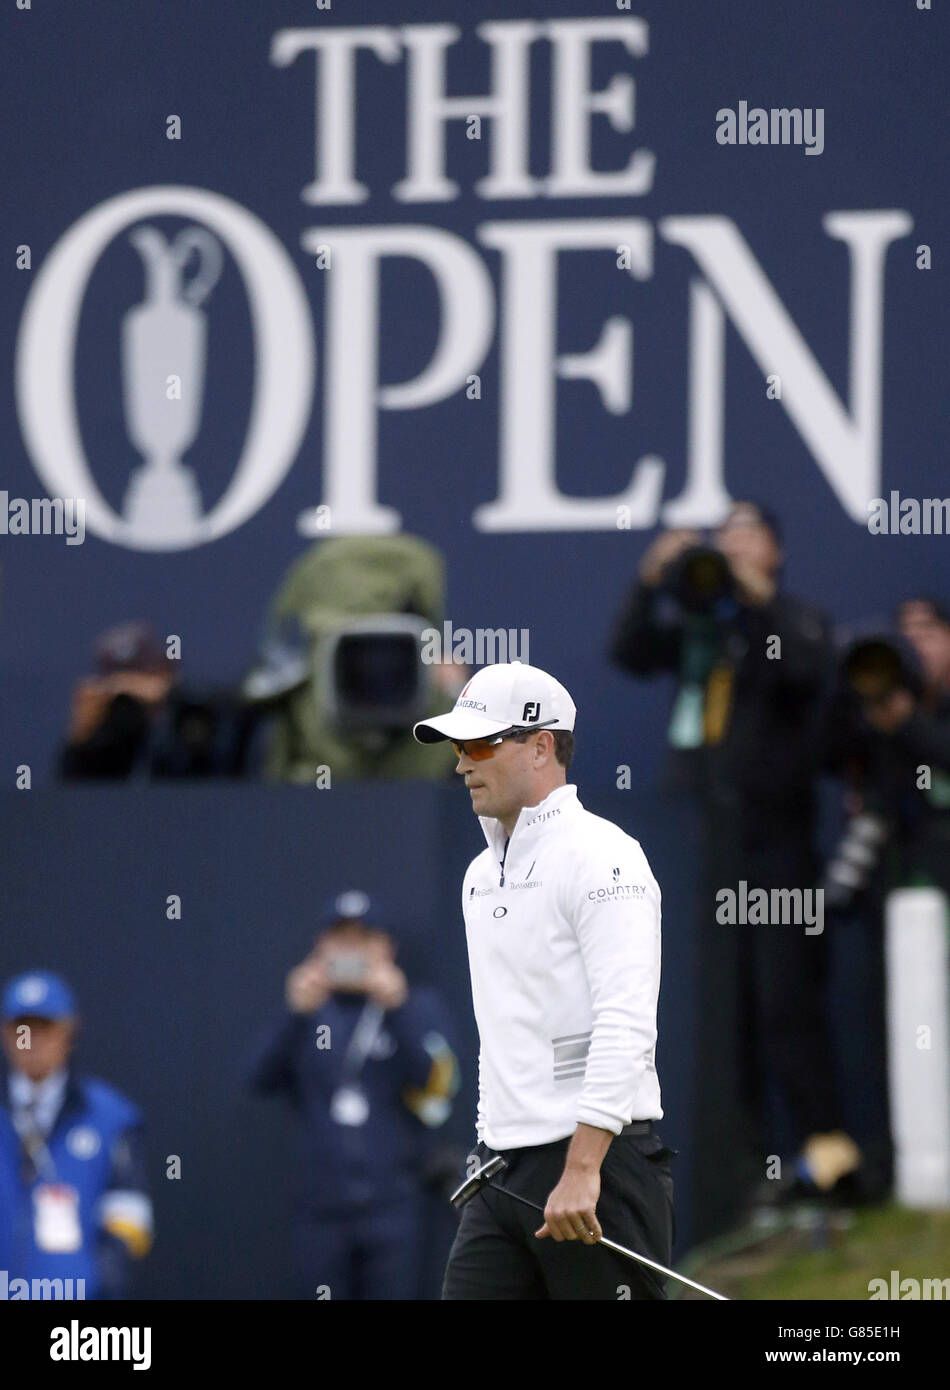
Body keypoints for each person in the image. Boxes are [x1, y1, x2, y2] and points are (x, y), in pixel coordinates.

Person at [609, 502, 859, 1237]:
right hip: (706, 845)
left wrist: (754, 594)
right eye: (725, 538)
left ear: (776, 551)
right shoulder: (701, 625)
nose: (733, 547)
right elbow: (627, 651)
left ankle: (833, 1164)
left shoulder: (791, 622)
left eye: (749, 535)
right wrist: (650, 577)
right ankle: (743, 1180)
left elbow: (812, 670)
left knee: (787, 1005)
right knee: (726, 1017)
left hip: (776, 846)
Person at [413, 661, 674, 1300]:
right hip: (501, 1174)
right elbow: (503, 1034)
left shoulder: (604, 854)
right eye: (457, 747)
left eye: (478, 744)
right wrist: (486, 1141)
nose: (461, 764)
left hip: (598, 1173)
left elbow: (627, 1020)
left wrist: (583, 1168)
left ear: (540, 746)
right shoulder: (478, 874)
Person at [246, 891, 459, 1299]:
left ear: (388, 948)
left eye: (364, 939)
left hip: (394, 1203)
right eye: (340, 939)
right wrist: (293, 1014)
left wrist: (400, 1009)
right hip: (320, 1207)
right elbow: (258, 1079)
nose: (351, 949)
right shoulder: (308, 1011)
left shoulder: (419, 1006)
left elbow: (440, 1086)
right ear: (319, 947)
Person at [0, 971, 153, 1299]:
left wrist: (98, 1280)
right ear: (5, 1033)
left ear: (69, 1031)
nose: (32, 1040)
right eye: (21, 1027)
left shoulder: (110, 1117)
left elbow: (130, 1214)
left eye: (45, 1027)